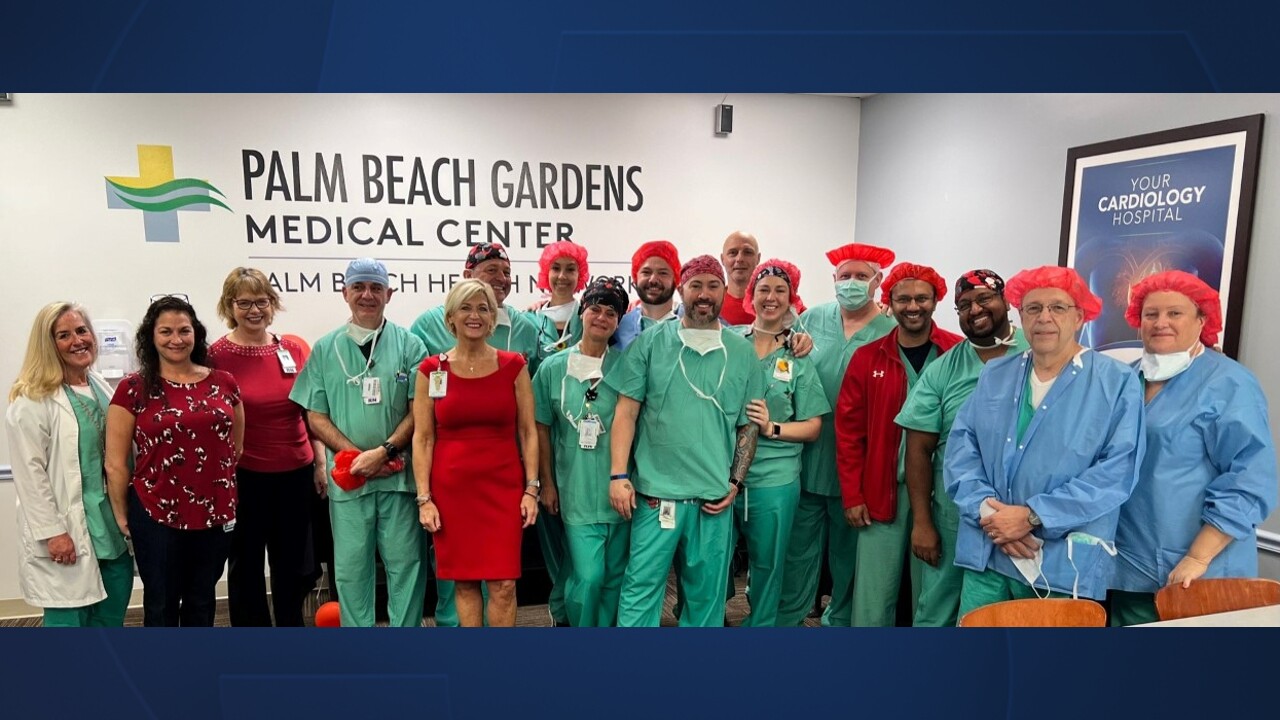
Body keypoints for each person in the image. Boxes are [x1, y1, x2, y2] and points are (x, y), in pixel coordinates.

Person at [944, 265, 1144, 617]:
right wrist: (991, 514)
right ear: (1020, 316)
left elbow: (1117, 471)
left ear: (1080, 316)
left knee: (1046, 667)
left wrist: (1034, 515)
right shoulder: (996, 374)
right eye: (1033, 308)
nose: (1044, 318)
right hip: (989, 550)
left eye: (1058, 307)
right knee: (975, 664)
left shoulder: (1116, 382)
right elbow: (963, 448)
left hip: (1060, 565)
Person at [1109, 270, 1278, 625]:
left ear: (1202, 320)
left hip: (1201, 571)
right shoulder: (1126, 379)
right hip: (1126, 566)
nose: (1160, 323)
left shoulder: (1229, 384)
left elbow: (1250, 479)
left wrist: (1198, 558)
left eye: (1175, 313)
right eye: (1151, 314)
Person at [411, 242, 564, 626]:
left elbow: (529, 431)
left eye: (483, 308)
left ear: (494, 317)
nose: (475, 316)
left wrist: (531, 487)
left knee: (504, 584)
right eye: (466, 307)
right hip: (451, 489)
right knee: (463, 584)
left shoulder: (514, 366)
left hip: (502, 487)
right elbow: (423, 438)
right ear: (451, 318)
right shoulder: (431, 370)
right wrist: (424, 499)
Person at [608, 255, 764, 627]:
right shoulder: (650, 344)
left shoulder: (741, 352)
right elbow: (626, 413)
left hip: (712, 497)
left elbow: (749, 425)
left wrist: (734, 482)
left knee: (706, 595)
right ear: (681, 290)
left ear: (725, 291)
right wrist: (618, 476)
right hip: (656, 494)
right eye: (696, 285)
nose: (704, 294)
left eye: (713, 285)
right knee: (641, 589)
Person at [289, 258, 427, 627]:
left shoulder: (411, 345)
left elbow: (420, 410)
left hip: (397, 476)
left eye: (376, 288)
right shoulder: (324, 349)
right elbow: (315, 413)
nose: (367, 295)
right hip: (349, 480)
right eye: (359, 287)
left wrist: (384, 452)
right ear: (345, 293)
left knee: (406, 565)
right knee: (351, 569)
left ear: (389, 294)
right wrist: (355, 457)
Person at [895, 269, 1028, 627]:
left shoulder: (1035, 354)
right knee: (937, 607)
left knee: (1015, 614)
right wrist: (922, 523)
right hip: (956, 514)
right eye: (964, 305)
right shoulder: (944, 370)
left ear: (1006, 301)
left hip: (1023, 514)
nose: (975, 309)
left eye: (984, 299)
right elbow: (918, 449)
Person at [104, 295, 244, 626]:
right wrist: (122, 514)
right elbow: (115, 463)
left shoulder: (224, 383)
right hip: (155, 514)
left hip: (214, 512)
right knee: (161, 603)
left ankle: (197, 671)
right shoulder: (133, 388)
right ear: (151, 337)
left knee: (202, 600)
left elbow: (234, 447)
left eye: (184, 330)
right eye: (165, 331)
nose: (176, 339)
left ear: (196, 333)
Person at [778, 242, 897, 627]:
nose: (852, 283)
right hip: (807, 456)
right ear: (833, 280)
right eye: (845, 276)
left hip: (856, 467)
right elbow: (784, 372)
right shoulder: (811, 319)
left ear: (878, 282)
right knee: (797, 551)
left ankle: (839, 622)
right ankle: (788, 618)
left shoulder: (892, 331)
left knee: (848, 558)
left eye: (861, 276)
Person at [837, 263, 961, 626]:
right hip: (881, 491)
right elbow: (848, 432)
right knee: (873, 599)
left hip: (942, 494)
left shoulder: (956, 353)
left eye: (922, 298)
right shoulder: (868, 357)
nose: (913, 306)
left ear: (936, 301)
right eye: (903, 298)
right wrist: (853, 495)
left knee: (933, 595)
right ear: (888, 302)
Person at [208, 267, 325, 627]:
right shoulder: (216, 356)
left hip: (295, 470)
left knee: (293, 563)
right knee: (245, 563)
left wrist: (320, 463)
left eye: (261, 301)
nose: (254, 310)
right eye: (244, 302)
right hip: (245, 475)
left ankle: (291, 633)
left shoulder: (291, 348)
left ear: (272, 303)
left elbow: (311, 410)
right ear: (230, 306)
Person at [6, 302, 132, 627]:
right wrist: (53, 533)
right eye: (64, 335)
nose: (77, 340)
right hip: (68, 527)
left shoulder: (100, 385)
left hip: (108, 523)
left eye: (81, 330)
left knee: (112, 609)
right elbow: (30, 476)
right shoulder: (32, 400)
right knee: (69, 620)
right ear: (48, 345)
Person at [533, 277, 632, 626]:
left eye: (610, 312)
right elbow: (540, 427)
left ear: (619, 320)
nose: (601, 317)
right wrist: (546, 482)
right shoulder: (552, 368)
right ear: (582, 312)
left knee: (613, 576)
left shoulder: (628, 365)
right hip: (575, 488)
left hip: (618, 488)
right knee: (588, 576)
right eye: (595, 308)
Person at [734, 260, 828, 626]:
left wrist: (772, 428)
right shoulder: (731, 343)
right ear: (751, 296)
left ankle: (762, 636)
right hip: (719, 477)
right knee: (713, 560)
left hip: (774, 479)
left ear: (791, 299)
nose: (771, 298)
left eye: (779, 291)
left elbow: (813, 426)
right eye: (764, 290)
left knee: (769, 563)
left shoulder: (797, 357)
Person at [614, 240, 681, 351]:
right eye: (646, 272)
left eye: (663, 273)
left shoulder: (690, 325)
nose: (653, 279)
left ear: (675, 279)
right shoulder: (619, 328)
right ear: (635, 278)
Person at [535, 240, 590, 353]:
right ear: (546, 273)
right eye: (556, 268)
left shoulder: (588, 320)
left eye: (570, 269)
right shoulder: (532, 319)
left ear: (580, 275)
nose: (562, 276)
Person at [719, 231, 761, 326]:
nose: (739, 259)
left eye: (747, 252)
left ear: (758, 258)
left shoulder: (774, 304)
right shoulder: (711, 303)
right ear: (722, 259)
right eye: (733, 253)